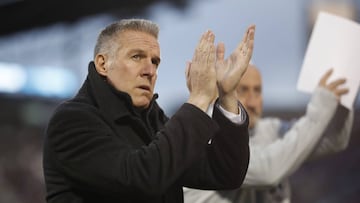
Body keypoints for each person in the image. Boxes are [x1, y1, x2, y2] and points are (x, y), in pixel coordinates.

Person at [42, 19, 256, 203]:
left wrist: (227, 95)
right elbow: (141, 179)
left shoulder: (154, 119)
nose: (150, 71)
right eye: (137, 57)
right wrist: (199, 99)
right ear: (103, 64)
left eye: (155, 61)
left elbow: (225, 173)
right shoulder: (72, 121)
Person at [184, 63, 354, 203]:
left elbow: (332, 141)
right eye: (242, 91)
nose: (252, 102)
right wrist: (321, 107)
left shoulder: (270, 129)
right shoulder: (206, 136)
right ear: (223, 94)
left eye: (257, 91)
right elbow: (267, 172)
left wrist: (343, 101)